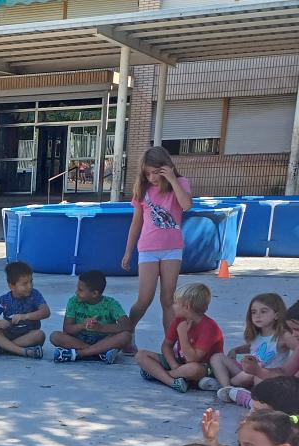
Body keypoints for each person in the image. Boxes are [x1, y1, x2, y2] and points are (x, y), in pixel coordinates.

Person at [121, 146, 193, 335]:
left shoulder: (180, 182)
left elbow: (186, 206)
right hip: (148, 249)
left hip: (172, 249)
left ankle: (169, 344)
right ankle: (127, 333)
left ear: (166, 167)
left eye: (155, 172)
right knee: (145, 298)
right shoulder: (143, 190)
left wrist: (171, 180)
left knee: (168, 299)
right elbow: (136, 222)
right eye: (147, 173)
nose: (152, 178)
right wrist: (128, 251)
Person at [137, 282, 223, 393]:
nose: (173, 306)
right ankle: (174, 382)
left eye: (176, 303)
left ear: (186, 306)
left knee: (193, 369)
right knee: (141, 355)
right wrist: (174, 365)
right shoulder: (179, 320)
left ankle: (158, 375)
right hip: (179, 363)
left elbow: (193, 359)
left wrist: (182, 334)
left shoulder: (210, 327)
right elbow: (166, 346)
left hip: (204, 367)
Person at [208, 293, 288, 394]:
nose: (257, 315)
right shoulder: (258, 334)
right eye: (253, 312)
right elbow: (252, 346)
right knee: (217, 357)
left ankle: (224, 384)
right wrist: (236, 350)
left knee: (253, 372)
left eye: (263, 311)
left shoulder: (282, 337)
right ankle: (227, 388)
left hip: (264, 375)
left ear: (277, 315)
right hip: (246, 371)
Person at [50, 269, 130, 364]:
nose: (76, 292)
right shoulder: (73, 302)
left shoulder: (111, 304)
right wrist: (82, 325)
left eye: (80, 290)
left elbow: (127, 325)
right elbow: (67, 329)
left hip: (105, 339)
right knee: (55, 336)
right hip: (80, 340)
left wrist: (101, 328)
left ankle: (81, 354)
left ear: (95, 293)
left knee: (126, 336)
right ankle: (100, 352)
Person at [0, 261, 49, 358]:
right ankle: (22, 351)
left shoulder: (34, 295)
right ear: (11, 286)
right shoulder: (4, 299)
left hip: (28, 335)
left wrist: (25, 316)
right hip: (8, 334)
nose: (30, 286)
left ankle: (3, 348)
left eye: (31, 281)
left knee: (40, 335)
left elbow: (46, 312)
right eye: (24, 284)